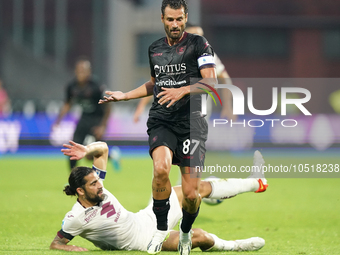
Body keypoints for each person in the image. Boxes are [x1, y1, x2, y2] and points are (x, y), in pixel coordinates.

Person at [99, 1, 254, 255]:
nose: (175, 24)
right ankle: (160, 230)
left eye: (179, 19)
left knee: (192, 195)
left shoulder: (199, 45)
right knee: (160, 169)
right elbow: (153, 84)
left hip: (192, 124)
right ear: (162, 18)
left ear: (185, 17)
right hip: (162, 119)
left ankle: (185, 232)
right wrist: (125, 96)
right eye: (170, 20)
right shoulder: (155, 49)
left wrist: (182, 90)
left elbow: (212, 81)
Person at [50, 140, 267, 252]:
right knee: (198, 236)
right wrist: (67, 247)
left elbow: (103, 149)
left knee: (192, 188)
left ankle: (256, 182)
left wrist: (86, 150)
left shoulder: (98, 189)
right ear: (80, 191)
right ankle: (236, 246)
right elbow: (56, 243)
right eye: (94, 184)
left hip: (147, 218)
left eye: (99, 181)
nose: (100, 186)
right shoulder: (76, 217)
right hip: (144, 241)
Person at [133, 24, 235, 123]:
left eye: (201, 36)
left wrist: (227, 105)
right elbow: (155, 83)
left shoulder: (207, 56)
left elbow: (224, 77)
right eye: (194, 35)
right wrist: (141, 107)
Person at [53, 56, 111, 171]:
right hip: (84, 118)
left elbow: (108, 106)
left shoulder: (96, 86)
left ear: (89, 72)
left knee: (90, 156)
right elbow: (67, 103)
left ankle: (111, 156)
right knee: (73, 148)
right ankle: (73, 178)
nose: (81, 73)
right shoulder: (72, 86)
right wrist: (58, 120)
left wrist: (103, 125)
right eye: (79, 70)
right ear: (75, 71)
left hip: (97, 120)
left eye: (84, 71)